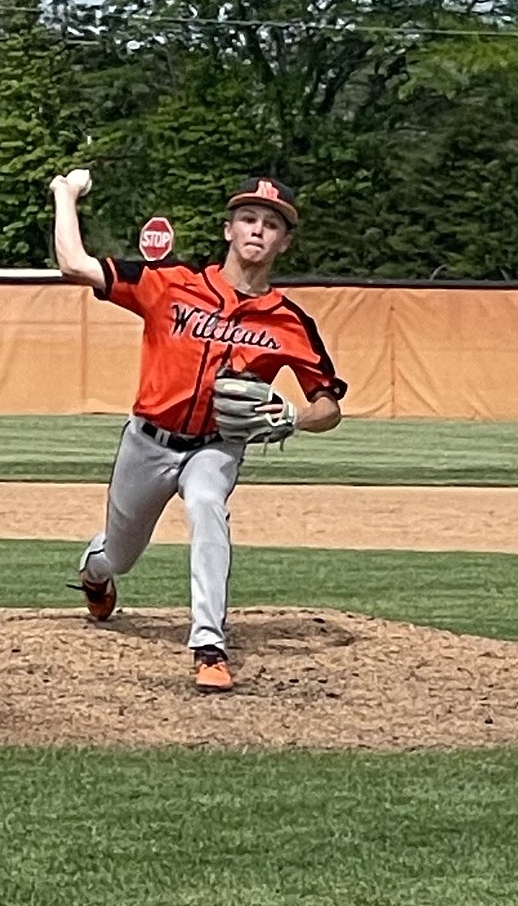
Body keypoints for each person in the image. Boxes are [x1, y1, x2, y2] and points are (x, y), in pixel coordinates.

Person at [49, 172, 347, 693]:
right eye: (249, 218)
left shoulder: (289, 322)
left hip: (217, 445)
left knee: (207, 502)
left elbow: (329, 405)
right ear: (228, 229)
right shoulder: (171, 283)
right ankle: (95, 574)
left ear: (285, 241)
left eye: (271, 224)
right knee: (119, 554)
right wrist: (64, 195)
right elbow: (74, 264)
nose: (258, 230)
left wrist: (294, 418)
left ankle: (209, 644)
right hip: (147, 441)